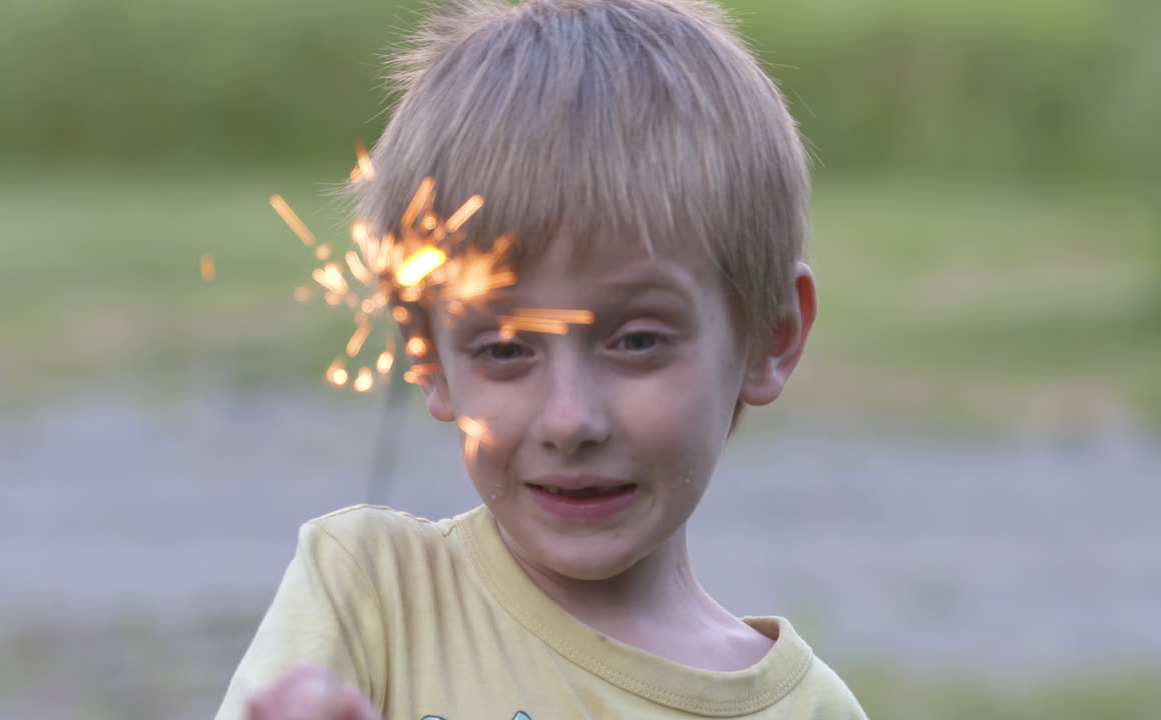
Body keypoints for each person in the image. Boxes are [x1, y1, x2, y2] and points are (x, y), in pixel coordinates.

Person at [219, 0, 868, 717]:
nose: (570, 420)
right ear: (426, 356)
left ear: (771, 337)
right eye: (504, 348)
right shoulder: (370, 592)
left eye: (638, 340)